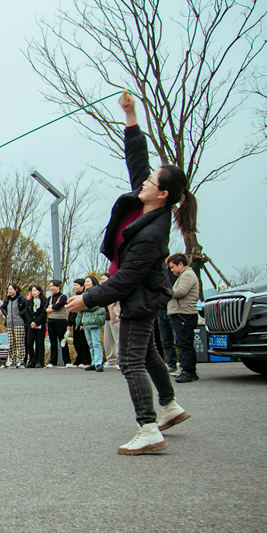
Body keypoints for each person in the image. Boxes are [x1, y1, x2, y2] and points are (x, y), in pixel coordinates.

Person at [67, 89, 195, 455]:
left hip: (141, 298)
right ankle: (170, 406)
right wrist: (131, 116)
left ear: (163, 195)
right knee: (150, 352)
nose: (143, 183)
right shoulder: (146, 200)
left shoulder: (154, 234)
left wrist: (86, 298)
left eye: (151, 183)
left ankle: (149, 427)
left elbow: (126, 281)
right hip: (138, 291)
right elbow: (137, 160)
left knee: (130, 360)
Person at [166, 253, 200, 383]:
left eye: (173, 267)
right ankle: (190, 369)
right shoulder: (183, 275)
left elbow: (180, 292)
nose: (172, 270)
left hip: (184, 314)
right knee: (183, 342)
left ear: (181, 264)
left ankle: (187, 370)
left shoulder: (187, 275)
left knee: (184, 343)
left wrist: (165, 291)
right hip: (181, 313)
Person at [76, 276, 106, 372]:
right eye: (85, 282)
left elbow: (93, 306)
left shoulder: (97, 292)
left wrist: (82, 305)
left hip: (94, 321)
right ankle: (93, 362)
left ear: (93, 282)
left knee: (96, 342)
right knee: (90, 344)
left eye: (88, 281)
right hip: (86, 322)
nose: (86, 283)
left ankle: (99, 363)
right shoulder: (85, 294)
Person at [158, 260, 179, 373]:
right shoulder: (157, 272)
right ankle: (171, 364)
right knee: (165, 340)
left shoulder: (174, 273)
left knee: (177, 338)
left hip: (173, 308)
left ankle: (184, 365)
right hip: (161, 310)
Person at [0, 283, 27, 368]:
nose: (10, 291)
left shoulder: (21, 299)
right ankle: (12, 360)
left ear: (16, 290)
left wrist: (20, 314)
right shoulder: (7, 299)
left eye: (11, 289)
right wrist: (6, 314)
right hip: (9, 323)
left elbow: (26, 308)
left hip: (19, 323)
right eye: (9, 289)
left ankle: (21, 360)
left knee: (19, 342)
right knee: (11, 343)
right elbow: (2, 308)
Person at [45, 280, 70, 368]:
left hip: (61, 321)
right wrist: (52, 307)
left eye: (54, 286)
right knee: (53, 342)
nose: (52, 288)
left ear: (59, 287)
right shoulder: (49, 298)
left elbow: (59, 305)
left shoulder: (63, 296)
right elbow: (46, 309)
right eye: (51, 286)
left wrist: (52, 307)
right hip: (51, 321)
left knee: (62, 342)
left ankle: (67, 361)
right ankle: (53, 361)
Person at [67, 279, 91, 368]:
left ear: (82, 287)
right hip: (75, 323)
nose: (74, 287)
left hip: (82, 322)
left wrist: (82, 323)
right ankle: (79, 359)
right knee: (76, 342)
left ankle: (86, 360)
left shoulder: (83, 297)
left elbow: (82, 312)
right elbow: (71, 312)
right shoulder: (74, 297)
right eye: (73, 285)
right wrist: (69, 323)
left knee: (84, 342)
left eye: (77, 285)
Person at [99, 273, 121, 370]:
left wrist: (117, 313)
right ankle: (111, 360)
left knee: (118, 339)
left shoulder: (115, 288)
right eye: (101, 279)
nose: (102, 281)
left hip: (115, 316)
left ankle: (121, 360)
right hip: (106, 318)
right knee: (108, 340)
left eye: (104, 279)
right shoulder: (102, 291)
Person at [24, 285, 47, 368]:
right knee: (29, 343)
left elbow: (44, 313)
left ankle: (40, 361)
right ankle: (32, 361)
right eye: (32, 291)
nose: (33, 292)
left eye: (35, 290)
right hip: (31, 325)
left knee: (40, 343)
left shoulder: (44, 301)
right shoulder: (29, 302)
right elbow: (27, 313)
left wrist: (37, 322)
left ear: (39, 291)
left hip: (40, 324)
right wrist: (31, 322)